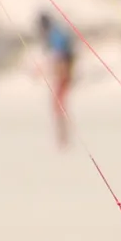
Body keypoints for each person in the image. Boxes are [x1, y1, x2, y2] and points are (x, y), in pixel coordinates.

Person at [36, 11, 75, 149]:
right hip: (64, 71)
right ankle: (62, 138)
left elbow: (62, 56)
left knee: (58, 105)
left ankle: (63, 139)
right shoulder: (56, 33)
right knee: (58, 105)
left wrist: (60, 72)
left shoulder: (55, 35)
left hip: (64, 72)